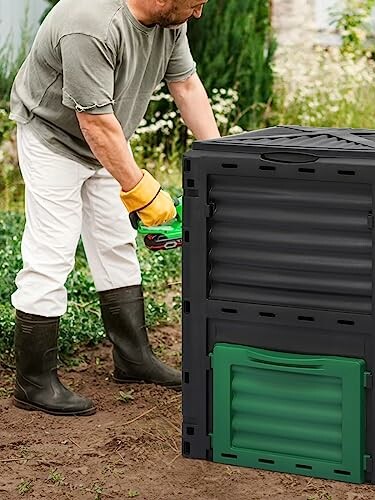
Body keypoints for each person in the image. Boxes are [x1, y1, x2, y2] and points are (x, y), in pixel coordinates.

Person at [8, 0, 220, 417]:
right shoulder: (89, 24)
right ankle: (33, 382)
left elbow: (187, 86)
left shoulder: (168, 22)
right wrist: (142, 192)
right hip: (54, 137)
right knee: (52, 251)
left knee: (116, 243)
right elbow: (94, 124)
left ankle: (133, 358)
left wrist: (221, 159)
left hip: (107, 138)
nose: (197, 14)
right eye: (194, 5)